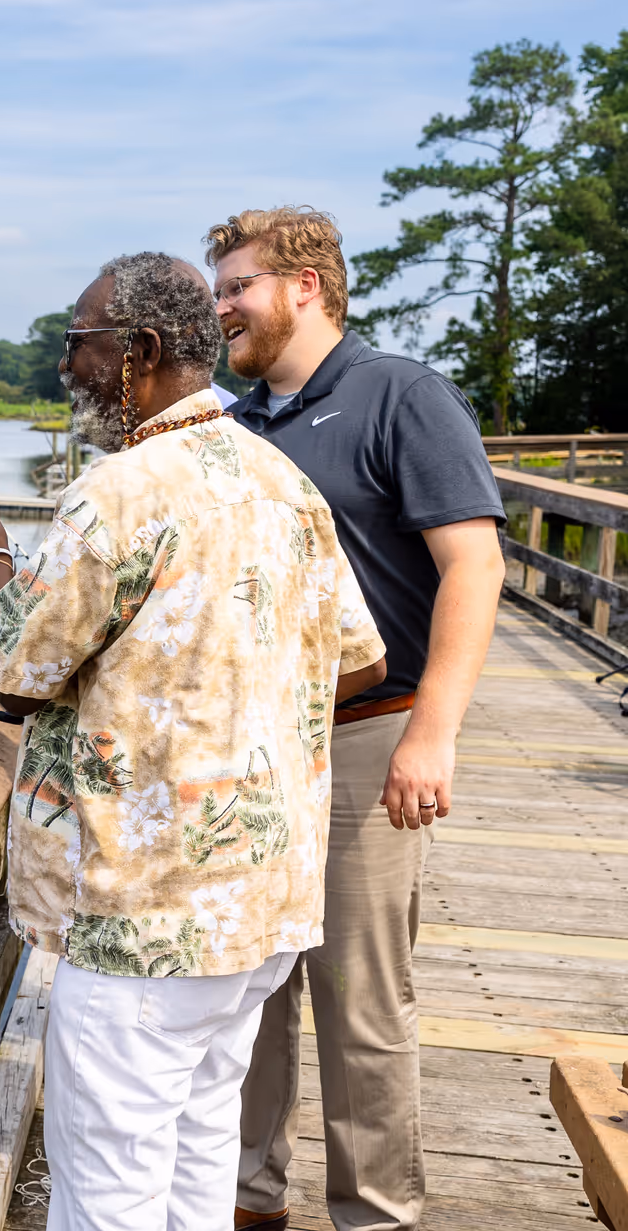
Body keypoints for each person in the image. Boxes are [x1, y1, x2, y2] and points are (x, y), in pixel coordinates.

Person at [0, 252, 387, 1230]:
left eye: (77, 343)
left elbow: (16, 663)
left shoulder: (120, 490)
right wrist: (210, 691)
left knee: (110, 1194)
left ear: (136, 351)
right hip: (258, 906)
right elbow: (359, 661)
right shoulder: (281, 478)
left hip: (142, 917)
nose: (65, 366)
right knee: (195, 1161)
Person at [205, 207, 508, 1231]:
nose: (222, 307)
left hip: (373, 730)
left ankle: (375, 1212)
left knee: (360, 1003)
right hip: (254, 750)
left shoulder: (402, 395)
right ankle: (249, 1199)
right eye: (217, 289)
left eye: (237, 285)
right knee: (249, 990)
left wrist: (433, 732)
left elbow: (475, 563)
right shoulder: (238, 421)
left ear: (306, 286)